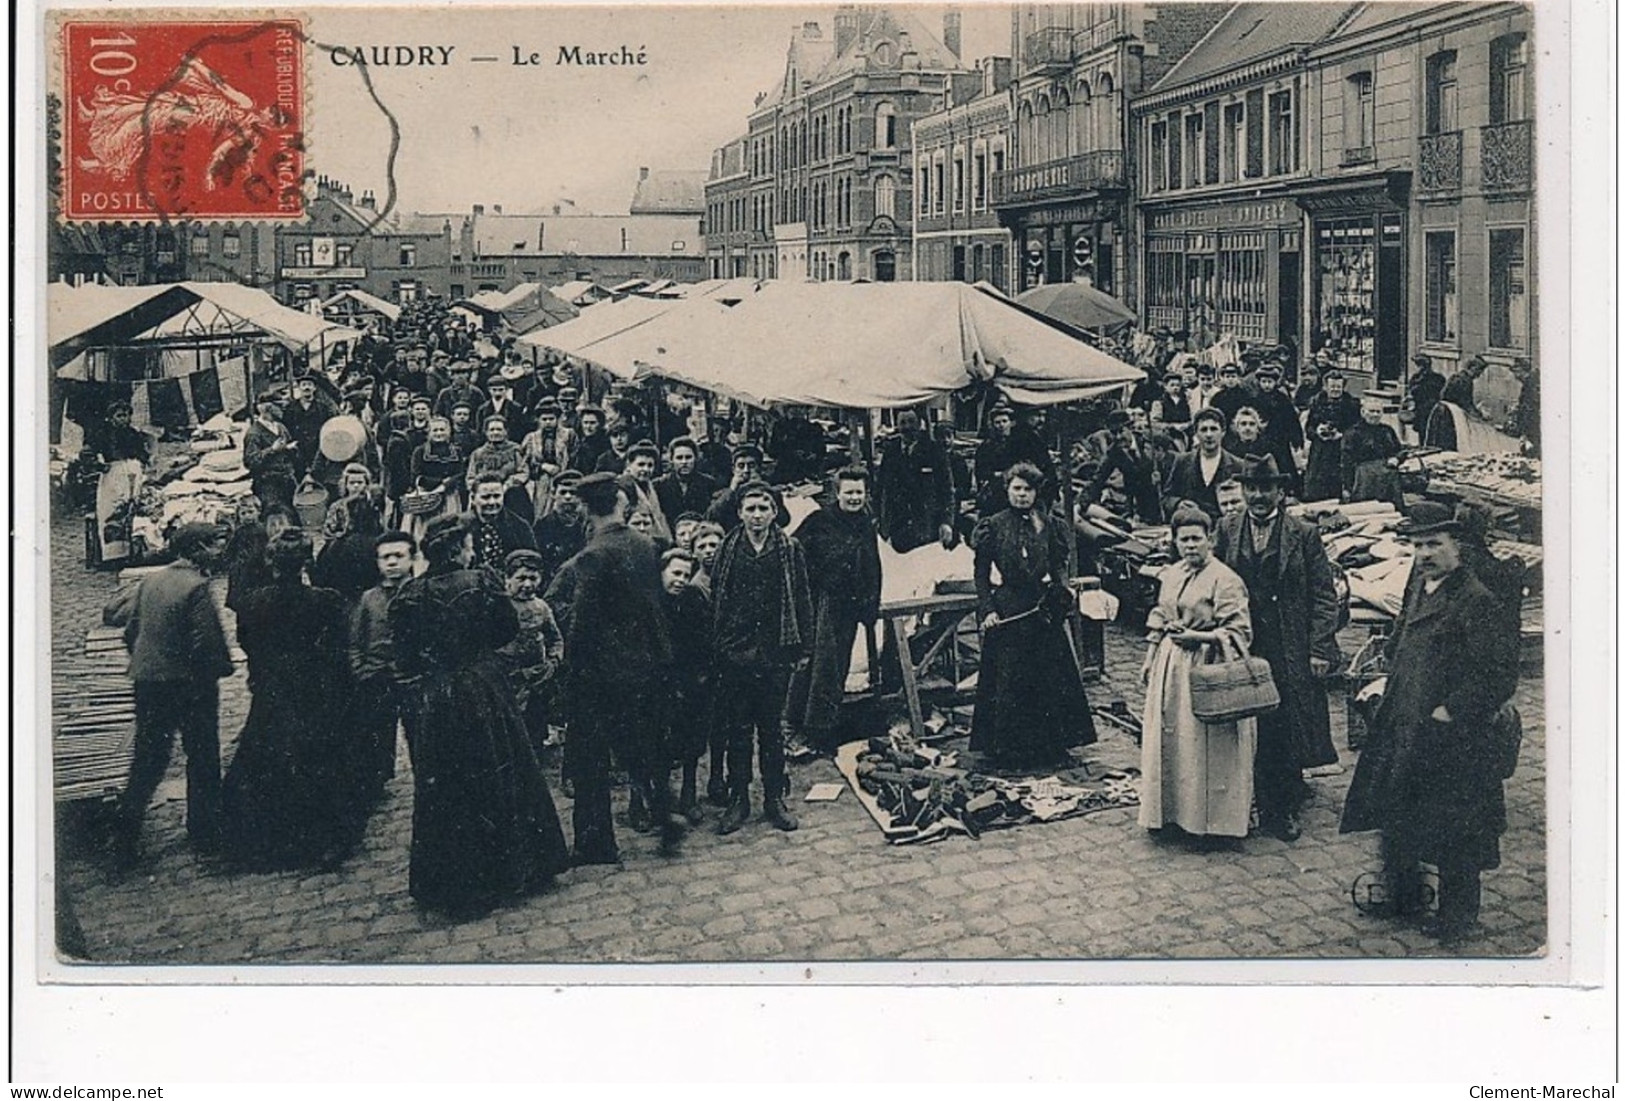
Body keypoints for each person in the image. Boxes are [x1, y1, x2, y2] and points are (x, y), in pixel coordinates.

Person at [1339, 502, 1517, 944]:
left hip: (1453, 738)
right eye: (1418, 545)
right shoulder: (1420, 585)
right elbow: (1402, 640)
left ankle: (1458, 917)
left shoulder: (1476, 599)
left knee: (1458, 830)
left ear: (1456, 546)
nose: (1425, 553)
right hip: (1406, 724)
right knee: (1401, 812)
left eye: (1434, 544)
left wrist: (1452, 710)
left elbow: (1499, 675)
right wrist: (1386, 682)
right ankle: (1403, 895)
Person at [389, 515, 571, 918]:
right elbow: (506, 631)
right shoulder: (483, 582)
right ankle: (516, 868)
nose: (471, 551)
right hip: (484, 686)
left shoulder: (408, 595)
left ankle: (459, 880)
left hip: (439, 696)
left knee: (450, 785)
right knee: (503, 770)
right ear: (457, 550)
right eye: (468, 545)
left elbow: (403, 657)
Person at [544, 472, 680, 861]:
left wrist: (571, 673)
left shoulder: (592, 556)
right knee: (644, 749)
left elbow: (581, 624)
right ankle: (667, 821)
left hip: (602, 676)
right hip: (646, 665)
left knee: (589, 759)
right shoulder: (644, 544)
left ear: (586, 510)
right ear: (621, 505)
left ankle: (595, 844)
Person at [1213, 455, 1341, 842]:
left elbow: (1323, 595)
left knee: (1284, 723)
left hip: (1289, 644)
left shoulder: (1303, 534)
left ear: (1280, 492)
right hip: (1244, 641)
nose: (1257, 496)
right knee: (1245, 721)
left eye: (1265, 489)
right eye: (1250, 488)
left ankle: (1280, 809)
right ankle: (1247, 798)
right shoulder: (1227, 527)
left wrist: (1320, 647)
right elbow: (1213, 578)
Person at [221, 530, 363, 872]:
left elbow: (247, 643)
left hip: (273, 685)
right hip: (314, 684)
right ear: (306, 562)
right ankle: (324, 838)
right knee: (317, 755)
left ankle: (265, 839)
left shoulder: (254, 603)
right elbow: (339, 647)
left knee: (269, 753)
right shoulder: (326, 601)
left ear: (271, 563)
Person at [110, 523, 233, 869]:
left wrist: (147, 662)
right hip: (188, 685)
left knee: (149, 758)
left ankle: (124, 833)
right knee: (203, 754)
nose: (218, 551)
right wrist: (218, 671)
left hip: (148, 681)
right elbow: (205, 644)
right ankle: (205, 831)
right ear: (197, 549)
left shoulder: (151, 580)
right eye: (214, 545)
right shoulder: (196, 586)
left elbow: (131, 630)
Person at [1137, 507, 1257, 844]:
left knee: (1206, 746)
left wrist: (1199, 638)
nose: (1190, 546)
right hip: (1171, 666)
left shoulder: (1226, 579)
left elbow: (1239, 632)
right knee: (1173, 741)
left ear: (1210, 540)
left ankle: (1211, 822)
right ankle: (1171, 815)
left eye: (1196, 539)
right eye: (1183, 540)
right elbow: (1160, 615)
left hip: (1208, 665)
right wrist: (1149, 658)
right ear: (1174, 542)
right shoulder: (1172, 574)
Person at [969, 463, 1096, 769]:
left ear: (1036, 492)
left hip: (1042, 609)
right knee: (1010, 677)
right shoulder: (993, 525)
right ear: (1007, 490)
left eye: (1028, 490)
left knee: (1050, 675)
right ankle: (1009, 750)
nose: (1022, 495)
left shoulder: (1049, 523)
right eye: (1017, 489)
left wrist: (1062, 591)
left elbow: (1058, 564)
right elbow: (981, 574)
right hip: (1009, 607)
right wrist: (987, 609)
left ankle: (1052, 746)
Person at [709, 481, 813, 834]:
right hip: (736, 653)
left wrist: (802, 648)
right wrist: (722, 646)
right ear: (739, 512)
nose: (756, 515)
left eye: (763, 508)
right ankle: (740, 800)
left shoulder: (789, 548)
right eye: (750, 508)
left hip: (775, 652)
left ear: (774, 512)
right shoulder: (727, 549)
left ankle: (773, 799)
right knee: (738, 730)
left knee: (771, 730)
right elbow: (717, 601)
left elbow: (801, 598)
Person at [784, 467, 883, 758]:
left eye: (859, 492)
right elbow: (793, 552)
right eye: (848, 492)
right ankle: (804, 727)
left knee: (836, 667)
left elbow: (873, 565)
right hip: (820, 605)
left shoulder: (866, 523)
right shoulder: (818, 521)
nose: (854, 497)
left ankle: (820, 727)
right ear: (837, 493)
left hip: (848, 607)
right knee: (818, 666)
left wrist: (871, 604)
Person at [348, 530, 416, 795]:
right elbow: (356, 639)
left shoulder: (420, 593)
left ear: (412, 559)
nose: (391, 563)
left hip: (411, 677)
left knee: (419, 732)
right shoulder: (369, 599)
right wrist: (360, 670)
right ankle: (376, 781)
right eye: (385, 557)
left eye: (398, 556)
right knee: (377, 733)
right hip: (377, 677)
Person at [658, 547, 714, 824]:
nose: (680, 579)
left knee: (692, 739)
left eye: (686, 574)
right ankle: (650, 801)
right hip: (657, 680)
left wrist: (697, 676)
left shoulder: (693, 599)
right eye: (675, 573)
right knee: (655, 741)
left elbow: (703, 640)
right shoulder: (650, 600)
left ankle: (689, 794)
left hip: (689, 678)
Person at [494, 549, 565, 760]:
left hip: (535, 679)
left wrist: (553, 661)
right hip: (505, 679)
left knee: (534, 724)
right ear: (507, 578)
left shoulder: (541, 608)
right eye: (520, 578)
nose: (527, 584)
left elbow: (556, 639)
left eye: (533, 578)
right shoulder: (498, 606)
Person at [874, 411, 956, 553]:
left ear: (919, 424)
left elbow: (947, 491)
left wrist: (946, 522)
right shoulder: (891, 450)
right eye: (903, 423)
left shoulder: (934, 450)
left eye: (911, 422)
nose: (907, 427)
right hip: (897, 524)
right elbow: (881, 488)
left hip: (927, 523)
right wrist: (879, 520)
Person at [89, 400, 151, 564]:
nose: (124, 419)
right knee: (112, 511)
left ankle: (132, 552)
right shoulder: (102, 435)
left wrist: (142, 463)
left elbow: (143, 454)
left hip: (133, 473)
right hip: (113, 476)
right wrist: (99, 465)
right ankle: (113, 555)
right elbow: (89, 455)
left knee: (132, 509)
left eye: (127, 415)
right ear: (111, 418)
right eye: (120, 416)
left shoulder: (134, 434)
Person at [972, 402, 1051, 520]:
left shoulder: (1020, 442)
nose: (1001, 425)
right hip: (996, 491)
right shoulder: (986, 447)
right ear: (992, 425)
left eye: (1004, 421)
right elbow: (981, 471)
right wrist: (997, 475)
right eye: (997, 422)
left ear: (1011, 423)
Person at [1161, 408, 1242, 520]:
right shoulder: (1182, 461)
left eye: (1214, 429)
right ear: (1196, 434)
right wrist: (1178, 503)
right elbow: (1166, 498)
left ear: (1223, 432)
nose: (1209, 435)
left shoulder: (1238, 465)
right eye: (1203, 430)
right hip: (1191, 527)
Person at [1086, 410, 1163, 524]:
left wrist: (1161, 475)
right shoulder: (1114, 452)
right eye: (1113, 433)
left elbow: (1170, 462)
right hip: (1137, 504)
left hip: (1161, 499)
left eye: (1121, 431)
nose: (1117, 437)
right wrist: (1081, 503)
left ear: (1130, 428)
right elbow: (1097, 480)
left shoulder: (1149, 440)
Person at [1302, 370, 1361, 502]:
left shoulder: (1352, 405)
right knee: (1316, 486)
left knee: (1337, 485)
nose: (1335, 390)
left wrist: (1342, 435)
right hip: (1320, 451)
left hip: (1340, 450)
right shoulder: (1316, 402)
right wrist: (1317, 431)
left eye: (1338, 387)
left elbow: (1357, 429)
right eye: (1332, 387)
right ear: (1325, 387)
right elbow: (1308, 428)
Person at [406, 415, 466, 546]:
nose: (439, 433)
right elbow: (416, 475)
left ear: (448, 432)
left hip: (449, 495)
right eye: (435, 430)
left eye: (442, 430)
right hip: (426, 496)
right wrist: (438, 484)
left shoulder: (456, 451)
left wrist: (446, 485)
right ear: (429, 432)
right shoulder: (420, 451)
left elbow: (460, 473)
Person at [706, 443, 790, 530]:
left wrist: (761, 487)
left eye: (751, 465)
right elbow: (710, 518)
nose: (746, 471)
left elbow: (783, 520)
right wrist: (732, 490)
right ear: (733, 470)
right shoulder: (722, 495)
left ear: (759, 469)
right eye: (741, 466)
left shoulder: (771, 492)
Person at [1341, 392, 1405, 506]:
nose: (1375, 415)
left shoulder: (1387, 430)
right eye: (1371, 411)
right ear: (1363, 412)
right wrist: (1347, 487)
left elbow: (1400, 451)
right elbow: (1346, 462)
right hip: (1365, 481)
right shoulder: (1353, 433)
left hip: (1388, 480)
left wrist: (1397, 458)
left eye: (1378, 411)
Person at [464, 473, 537, 571]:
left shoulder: (520, 527)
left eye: (497, 496)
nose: (492, 502)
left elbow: (533, 562)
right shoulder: (461, 528)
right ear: (473, 498)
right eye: (486, 497)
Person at [243, 390, 301, 510]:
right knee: (275, 516)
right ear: (266, 409)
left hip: (288, 480)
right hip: (268, 486)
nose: (282, 409)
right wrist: (272, 450)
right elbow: (250, 461)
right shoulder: (254, 433)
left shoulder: (280, 427)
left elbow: (289, 447)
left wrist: (289, 448)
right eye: (279, 406)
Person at [465, 414, 531, 518]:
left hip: (512, 495)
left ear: (505, 432)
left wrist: (507, 485)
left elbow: (523, 472)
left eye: (499, 429)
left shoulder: (515, 450)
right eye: (492, 430)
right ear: (486, 432)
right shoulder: (478, 453)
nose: (495, 433)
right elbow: (471, 477)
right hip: (485, 497)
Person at [519, 400, 576, 521]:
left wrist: (562, 472)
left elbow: (574, 458)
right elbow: (523, 462)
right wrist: (542, 467)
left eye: (551, 419)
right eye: (544, 419)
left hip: (563, 479)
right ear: (538, 420)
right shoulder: (531, 438)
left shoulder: (569, 435)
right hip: (539, 482)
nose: (548, 422)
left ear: (558, 419)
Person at [653, 436, 721, 535]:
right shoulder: (659, 485)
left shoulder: (709, 483)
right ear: (671, 460)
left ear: (696, 458)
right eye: (679, 458)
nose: (684, 462)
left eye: (688, 457)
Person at [532, 469, 589, 583]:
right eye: (563, 492)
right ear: (553, 494)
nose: (567, 497)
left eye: (573, 492)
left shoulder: (588, 525)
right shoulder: (542, 527)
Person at [622, 440, 673, 545]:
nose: (645, 469)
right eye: (641, 464)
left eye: (650, 465)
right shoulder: (624, 487)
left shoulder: (650, 487)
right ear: (629, 465)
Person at [1407, 353, 1446, 443]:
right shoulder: (1438, 378)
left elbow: (1413, 392)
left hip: (1426, 410)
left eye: (1417, 365)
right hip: (1430, 409)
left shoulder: (1419, 379)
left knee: (1426, 433)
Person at [571, 405, 611, 473]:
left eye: (592, 423)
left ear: (600, 424)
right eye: (585, 422)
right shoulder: (579, 441)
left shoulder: (606, 443)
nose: (588, 427)